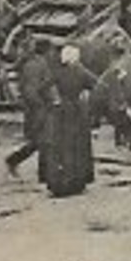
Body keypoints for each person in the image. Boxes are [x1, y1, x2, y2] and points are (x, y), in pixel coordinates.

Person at [46, 45, 97, 197]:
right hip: (78, 111)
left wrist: (54, 100)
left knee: (62, 146)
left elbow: (43, 87)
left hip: (61, 112)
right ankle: (78, 181)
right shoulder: (81, 72)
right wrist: (86, 96)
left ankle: (60, 181)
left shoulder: (58, 72)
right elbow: (98, 85)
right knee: (79, 146)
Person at [6, 37, 59, 180]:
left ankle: (14, 160)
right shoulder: (34, 65)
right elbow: (30, 90)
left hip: (40, 106)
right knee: (44, 140)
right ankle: (44, 173)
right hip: (37, 107)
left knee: (39, 141)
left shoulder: (40, 63)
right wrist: (40, 105)